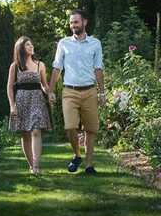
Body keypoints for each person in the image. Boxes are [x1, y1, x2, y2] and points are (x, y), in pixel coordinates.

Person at [48, 9, 106, 175]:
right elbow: (57, 68)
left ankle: (88, 164)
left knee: (91, 129)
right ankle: (77, 154)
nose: (73, 25)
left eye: (76, 22)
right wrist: (51, 90)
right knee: (70, 126)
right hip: (69, 91)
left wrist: (102, 93)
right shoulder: (64, 43)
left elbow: (98, 68)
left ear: (84, 22)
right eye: (71, 22)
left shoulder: (95, 43)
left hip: (90, 91)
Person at [7, 36, 52, 175]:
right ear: (21, 48)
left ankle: (37, 165)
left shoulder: (40, 65)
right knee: (25, 134)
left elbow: (44, 85)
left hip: (37, 100)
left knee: (36, 131)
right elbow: (9, 87)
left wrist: (49, 93)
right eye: (27, 45)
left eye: (31, 44)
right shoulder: (15, 66)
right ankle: (31, 165)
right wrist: (12, 106)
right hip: (22, 101)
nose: (31, 46)